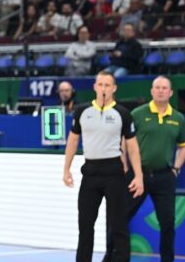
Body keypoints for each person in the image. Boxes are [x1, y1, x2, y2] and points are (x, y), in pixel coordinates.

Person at [102, 76, 185, 262]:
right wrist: (124, 165)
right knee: (119, 217)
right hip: (137, 174)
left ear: (170, 92)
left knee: (168, 223)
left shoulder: (178, 118)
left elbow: (184, 146)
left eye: (164, 88)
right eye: (157, 87)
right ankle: (110, 257)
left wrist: (176, 168)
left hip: (164, 176)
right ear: (151, 91)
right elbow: (124, 140)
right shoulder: (138, 113)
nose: (160, 91)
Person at [63, 71, 144, 262]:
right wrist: (66, 169)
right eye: (100, 85)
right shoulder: (82, 111)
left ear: (114, 88)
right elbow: (73, 141)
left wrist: (138, 175)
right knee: (85, 226)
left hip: (114, 172)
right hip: (90, 173)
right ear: (94, 87)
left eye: (107, 85)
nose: (103, 89)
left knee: (118, 225)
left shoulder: (123, 114)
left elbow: (132, 146)